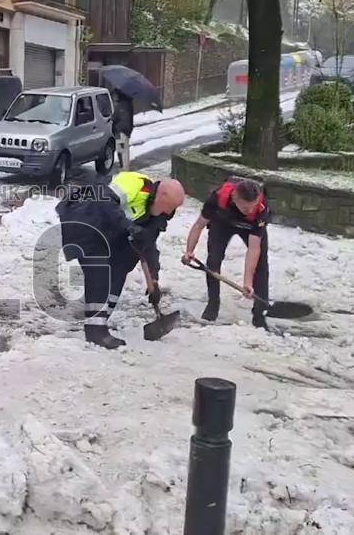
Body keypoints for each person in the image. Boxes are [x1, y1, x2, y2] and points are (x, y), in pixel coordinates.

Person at [57, 172, 185, 349]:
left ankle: (100, 318)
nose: (169, 213)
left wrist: (153, 280)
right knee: (99, 271)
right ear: (162, 195)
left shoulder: (159, 212)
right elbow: (104, 201)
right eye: (168, 207)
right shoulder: (134, 184)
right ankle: (95, 331)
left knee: (123, 263)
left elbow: (148, 246)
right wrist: (129, 226)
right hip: (85, 219)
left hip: (111, 231)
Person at [182, 177, 271, 329]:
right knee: (213, 261)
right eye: (245, 208)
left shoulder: (260, 209)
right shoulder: (217, 198)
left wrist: (247, 282)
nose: (249, 211)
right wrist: (189, 251)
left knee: (261, 266)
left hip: (251, 227)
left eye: (252, 207)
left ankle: (259, 315)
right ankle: (213, 304)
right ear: (235, 197)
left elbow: (254, 248)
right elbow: (199, 225)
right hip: (222, 223)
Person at [111, 89, 134, 170]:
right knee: (124, 149)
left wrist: (112, 118)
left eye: (114, 96)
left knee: (121, 150)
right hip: (126, 130)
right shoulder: (128, 104)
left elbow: (116, 117)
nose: (113, 98)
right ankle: (125, 166)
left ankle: (124, 168)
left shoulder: (120, 106)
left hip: (120, 130)